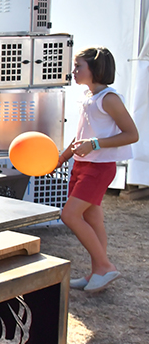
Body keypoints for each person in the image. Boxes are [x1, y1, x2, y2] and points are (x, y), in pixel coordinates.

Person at [58, 47, 139, 292]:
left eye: (78, 66)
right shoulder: (88, 96)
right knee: (92, 219)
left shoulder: (109, 99)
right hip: (83, 166)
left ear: (95, 69)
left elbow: (131, 134)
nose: (73, 71)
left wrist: (94, 144)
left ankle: (104, 267)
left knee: (69, 215)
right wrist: (63, 157)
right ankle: (97, 273)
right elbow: (83, 134)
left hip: (98, 168)